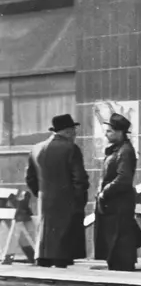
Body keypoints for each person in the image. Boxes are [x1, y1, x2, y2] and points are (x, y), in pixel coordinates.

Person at [25, 114, 89, 267]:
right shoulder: (71, 149)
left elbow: (30, 179)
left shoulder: (36, 149)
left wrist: (41, 194)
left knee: (45, 244)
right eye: (74, 131)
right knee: (63, 251)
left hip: (44, 203)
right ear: (68, 131)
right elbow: (79, 179)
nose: (75, 135)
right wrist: (79, 202)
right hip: (67, 204)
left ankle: (43, 262)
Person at [94, 113, 141, 271]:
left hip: (118, 206)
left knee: (119, 248)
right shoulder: (117, 150)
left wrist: (104, 192)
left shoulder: (125, 151)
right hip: (113, 207)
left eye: (109, 131)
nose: (106, 134)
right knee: (114, 248)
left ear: (119, 132)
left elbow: (123, 179)